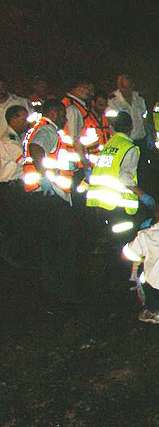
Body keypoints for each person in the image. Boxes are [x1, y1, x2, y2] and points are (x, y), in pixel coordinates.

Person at [23, 99, 81, 300]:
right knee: (60, 245)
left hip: (44, 195)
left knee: (49, 244)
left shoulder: (37, 128)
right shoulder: (48, 130)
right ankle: (60, 290)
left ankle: (50, 288)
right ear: (55, 113)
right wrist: (47, 177)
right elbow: (37, 149)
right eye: (63, 114)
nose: (66, 119)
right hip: (52, 196)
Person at [86, 111, 155, 237]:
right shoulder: (129, 147)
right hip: (117, 202)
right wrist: (142, 194)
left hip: (100, 201)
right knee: (123, 238)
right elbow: (125, 177)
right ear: (131, 127)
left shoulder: (109, 144)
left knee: (110, 236)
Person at [0, 105, 30, 252]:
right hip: (11, 187)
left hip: (16, 186)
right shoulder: (8, 141)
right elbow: (24, 161)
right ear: (13, 119)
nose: (26, 122)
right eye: (23, 118)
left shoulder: (18, 137)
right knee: (15, 224)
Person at [61, 79, 94, 173]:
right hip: (76, 162)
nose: (90, 93)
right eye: (87, 88)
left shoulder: (71, 104)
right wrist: (85, 162)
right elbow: (75, 138)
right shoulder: (73, 108)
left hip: (74, 159)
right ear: (79, 88)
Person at [106, 74, 148, 146]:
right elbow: (111, 122)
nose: (127, 91)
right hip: (123, 141)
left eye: (129, 87)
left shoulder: (139, 98)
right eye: (124, 88)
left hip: (140, 140)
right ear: (119, 87)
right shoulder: (113, 100)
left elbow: (145, 116)